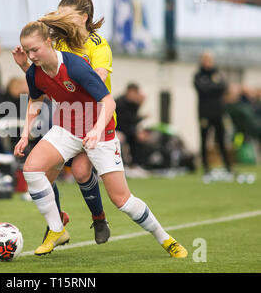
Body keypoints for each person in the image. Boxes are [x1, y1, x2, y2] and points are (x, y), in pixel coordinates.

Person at [14, 15, 187, 258]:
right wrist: (25, 135)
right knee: (32, 169)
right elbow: (35, 99)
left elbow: (109, 101)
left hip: (100, 133)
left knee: (122, 200)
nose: (31, 56)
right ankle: (56, 229)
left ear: (50, 42)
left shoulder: (75, 66)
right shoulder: (34, 72)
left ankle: (166, 240)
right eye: (28, 51)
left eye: (35, 49)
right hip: (67, 130)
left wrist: (95, 130)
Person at [12, 0, 112, 244]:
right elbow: (45, 81)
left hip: (94, 118)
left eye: (65, 16)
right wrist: (27, 67)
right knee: (43, 174)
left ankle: (99, 218)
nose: (60, 20)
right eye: (58, 15)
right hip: (66, 121)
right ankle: (56, 225)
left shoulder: (97, 44)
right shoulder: (61, 44)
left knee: (80, 172)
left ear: (84, 17)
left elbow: (94, 83)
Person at [194, 51, 232, 176]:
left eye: (209, 59)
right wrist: (214, 87)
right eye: (205, 59)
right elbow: (202, 89)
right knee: (204, 140)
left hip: (218, 112)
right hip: (204, 113)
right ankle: (205, 167)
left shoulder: (218, 73)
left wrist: (211, 87)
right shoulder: (198, 75)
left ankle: (228, 166)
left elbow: (223, 86)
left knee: (221, 139)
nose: (208, 62)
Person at [115, 83, 146, 166]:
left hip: (128, 130)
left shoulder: (133, 104)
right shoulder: (119, 102)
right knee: (126, 139)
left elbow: (132, 120)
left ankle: (136, 164)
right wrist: (135, 132)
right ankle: (123, 165)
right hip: (117, 129)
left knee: (141, 139)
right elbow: (122, 122)